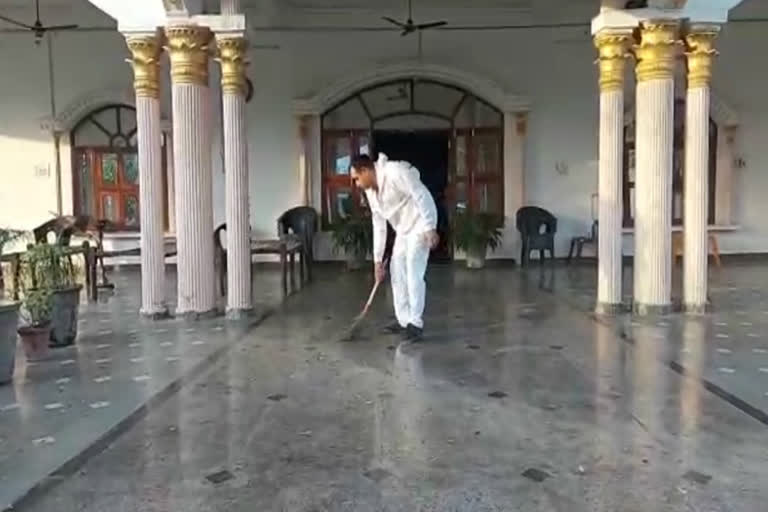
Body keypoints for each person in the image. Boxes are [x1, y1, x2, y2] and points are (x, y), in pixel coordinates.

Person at [350, 153, 439, 342]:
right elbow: (379, 226)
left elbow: (421, 194)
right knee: (396, 270)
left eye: (357, 178)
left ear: (365, 171)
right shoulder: (371, 193)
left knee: (413, 272)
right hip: (403, 229)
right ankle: (404, 320)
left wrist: (430, 227)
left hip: (420, 224)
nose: (356, 184)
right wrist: (377, 261)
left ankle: (415, 323)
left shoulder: (395, 172)